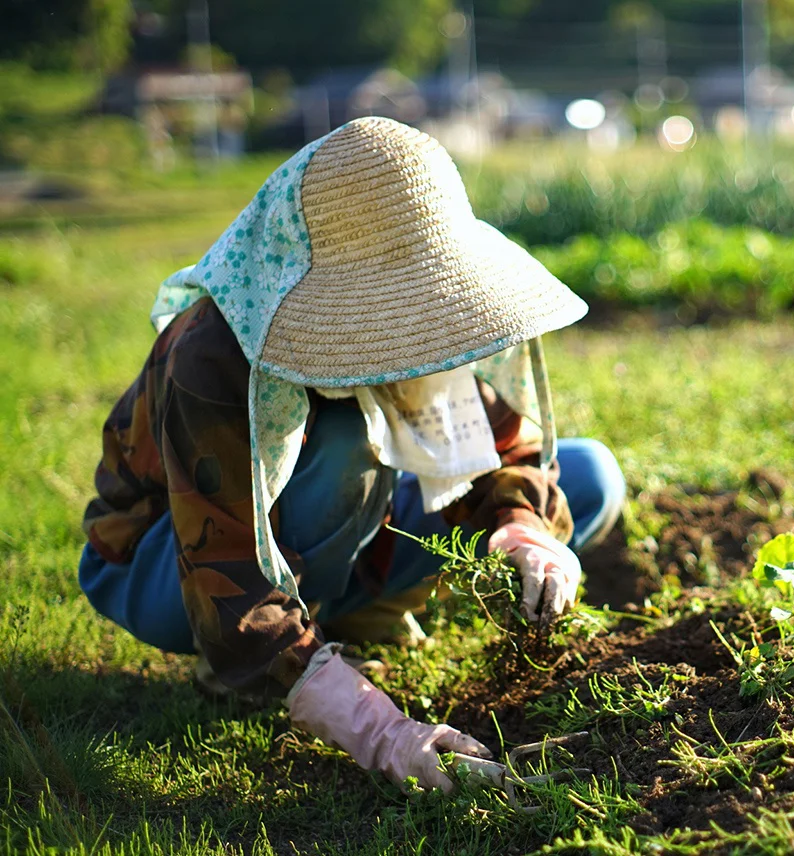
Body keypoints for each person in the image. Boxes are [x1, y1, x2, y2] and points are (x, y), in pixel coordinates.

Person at [78, 117, 626, 793]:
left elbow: (506, 446)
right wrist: (379, 730)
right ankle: (278, 660)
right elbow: (222, 565)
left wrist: (523, 530)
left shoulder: (438, 312)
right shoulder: (215, 355)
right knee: (347, 448)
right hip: (167, 563)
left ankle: (351, 609)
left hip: (341, 523)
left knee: (590, 476)